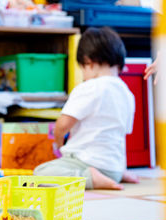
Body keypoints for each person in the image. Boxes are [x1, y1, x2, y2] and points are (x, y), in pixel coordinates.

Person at [34, 27, 138, 190]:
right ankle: (117, 174)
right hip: (114, 167)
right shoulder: (127, 93)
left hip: (87, 162)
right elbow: (121, 133)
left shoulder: (89, 87)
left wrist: (61, 147)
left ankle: (90, 179)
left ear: (88, 62)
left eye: (81, 68)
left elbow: (61, 126)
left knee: (40, 173)